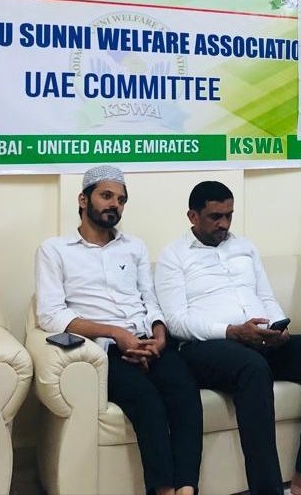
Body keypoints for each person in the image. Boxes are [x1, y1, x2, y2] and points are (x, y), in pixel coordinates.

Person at [155, 181, 301, 495]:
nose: (224, 224)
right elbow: (177, 322)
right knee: (253, 368)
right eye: (215, 217)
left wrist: (278, 327)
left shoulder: (244, 247)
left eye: (229, 215)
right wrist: (231, 331)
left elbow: (265, 297)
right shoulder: (173, 256)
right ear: (192, 216)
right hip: (206, 348)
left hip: (258, 340)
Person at [35, 166, 201, 495]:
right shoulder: (55, 250)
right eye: (106, 196)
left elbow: (149, 299)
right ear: (83, 199)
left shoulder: (134, 247)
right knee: (147, 401)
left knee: (185, 394)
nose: (115, 204)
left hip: (147, 342)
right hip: (105, 351)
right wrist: (115, 333)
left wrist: (159, 333)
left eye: (121, 199)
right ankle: (163, 490)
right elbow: (51, 315)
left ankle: (187, 488)